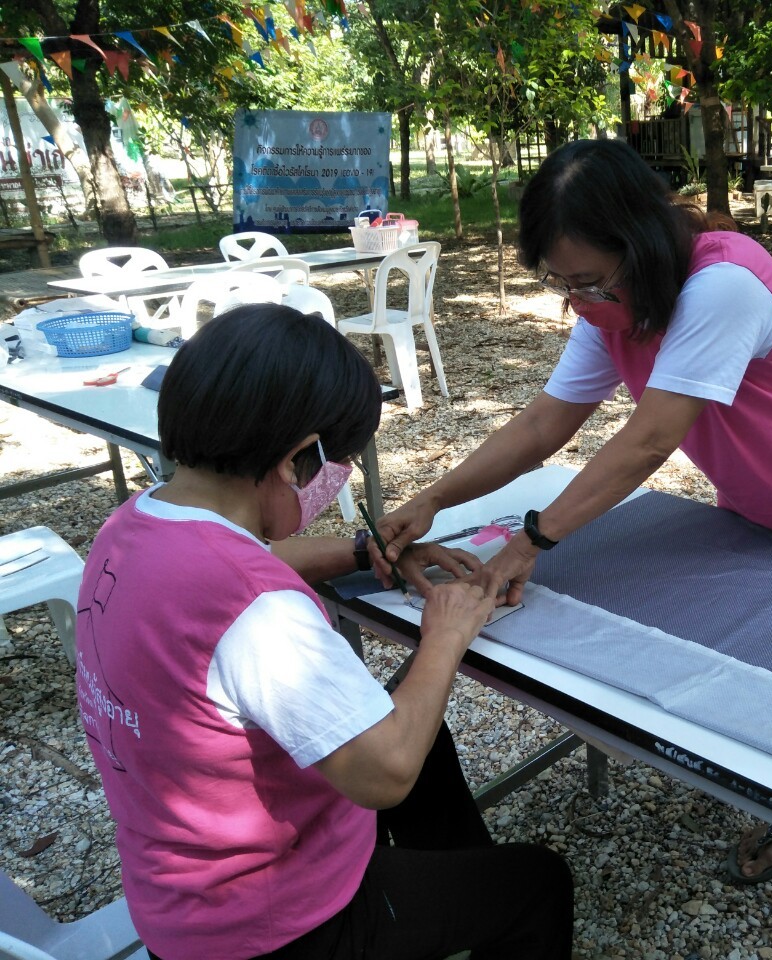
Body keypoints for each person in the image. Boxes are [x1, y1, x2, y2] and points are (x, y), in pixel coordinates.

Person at [376, 139, 772, 959]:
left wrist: (532, 540)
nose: (580, 300)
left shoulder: (721, 286)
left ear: (642, 244)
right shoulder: (616, 308)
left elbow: (650, 438)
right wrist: (433, 498)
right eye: (562, 283)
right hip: (761, 523)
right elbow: (544, 423)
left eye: (591, 280)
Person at [75, 305, 573, 960]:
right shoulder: (262, 614)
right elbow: (385, 776)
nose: (341, 478)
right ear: (296, 460)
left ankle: (445, 893)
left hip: (178, 889)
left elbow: (242, 560)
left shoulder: (132, 527)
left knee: (426, 740)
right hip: (271, 924)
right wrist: (446, 634)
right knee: (538, 883)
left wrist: (364, 551)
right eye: (338, 464)